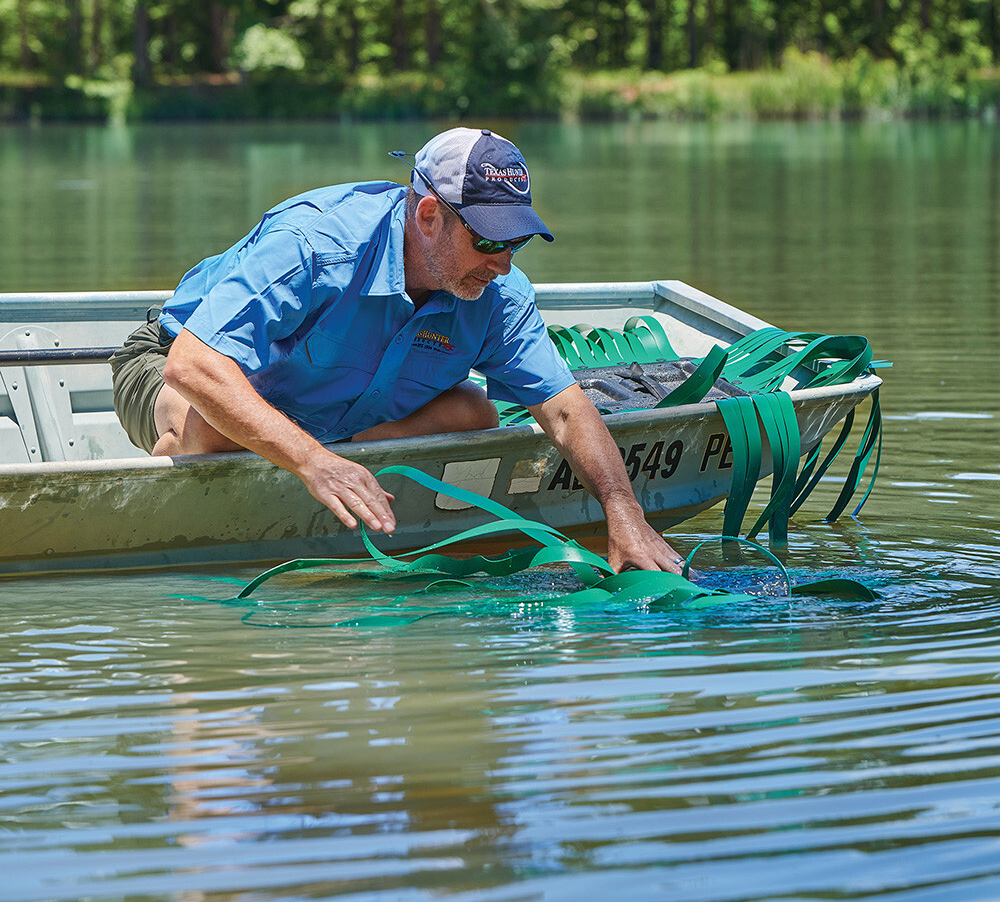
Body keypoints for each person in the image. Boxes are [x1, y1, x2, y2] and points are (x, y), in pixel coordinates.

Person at [111, 127, 683, 574]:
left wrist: (624, 515)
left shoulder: (500, 293)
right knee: (211, 423)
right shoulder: (314, 244)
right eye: (487, 240)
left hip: (319, 405)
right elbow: (194, 365)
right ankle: (184, 452)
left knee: (473, 414)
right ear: (428, 217)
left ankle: (320, 456)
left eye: (516, 242)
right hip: (171, 357)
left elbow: (563, 407)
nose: (503, 263)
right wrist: (315, 463)